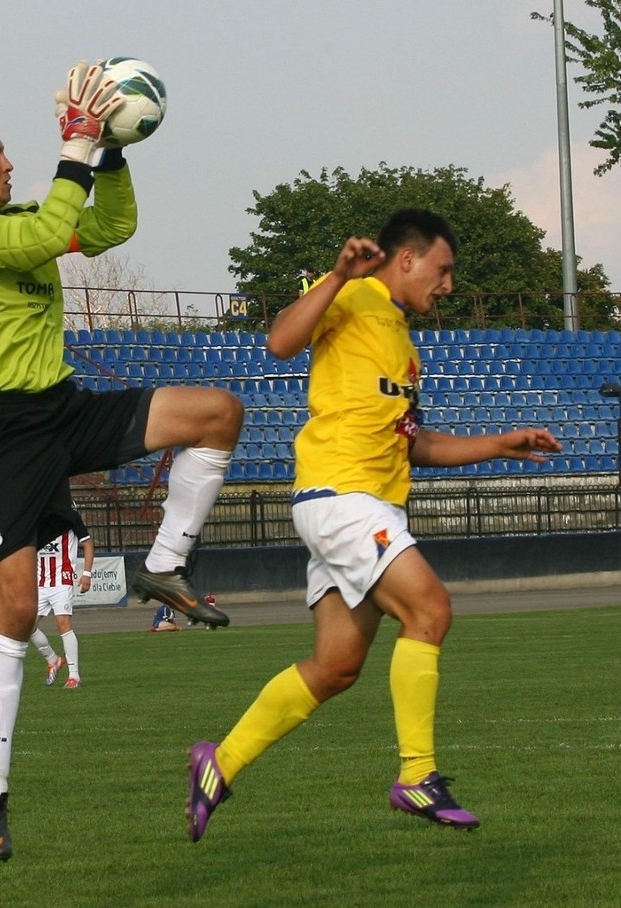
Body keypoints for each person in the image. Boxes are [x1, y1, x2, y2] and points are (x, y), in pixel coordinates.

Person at [0, 60, 243, 861]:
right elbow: (33, 237)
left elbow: (106, 231)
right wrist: (75, 149)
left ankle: (163, 566)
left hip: (60, 407)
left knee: (219, 413)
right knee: (17, 611)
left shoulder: (23, 215)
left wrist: (113, 155)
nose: (8, 163)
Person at [185, 208, 563, 843]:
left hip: (361, 505)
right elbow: (279, 342)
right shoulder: (355, 293)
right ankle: (418, 775)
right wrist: (335, 275)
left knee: (334, 669)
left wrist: (501, 442)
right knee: (430, 612)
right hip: (343, 497)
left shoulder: (404, 348)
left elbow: (414, 447)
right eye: (443, 270)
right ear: (407, 258)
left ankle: (218, 765)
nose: (447, 285)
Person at [30, 508, 94, 689]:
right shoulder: (34, 516)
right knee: (27, 627)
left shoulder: (69, 516)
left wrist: (87, 573)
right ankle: (53, 660)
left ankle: (74, 676)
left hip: (62, 579)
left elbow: (88, 543)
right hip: (40, 581)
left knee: (63, 624)